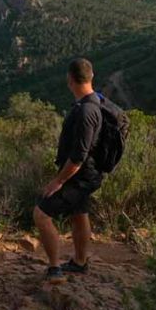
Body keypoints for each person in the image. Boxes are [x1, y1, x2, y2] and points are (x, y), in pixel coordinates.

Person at [34, 58, 103, 283]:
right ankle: (80, 262)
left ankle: (55, 268)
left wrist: (59, 181)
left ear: (69, 80)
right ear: (91, 77)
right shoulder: (96, 102)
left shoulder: (85, 111)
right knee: (79, 213)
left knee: (42, 214)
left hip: (78, 176)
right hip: (88, 174)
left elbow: (78, 155)